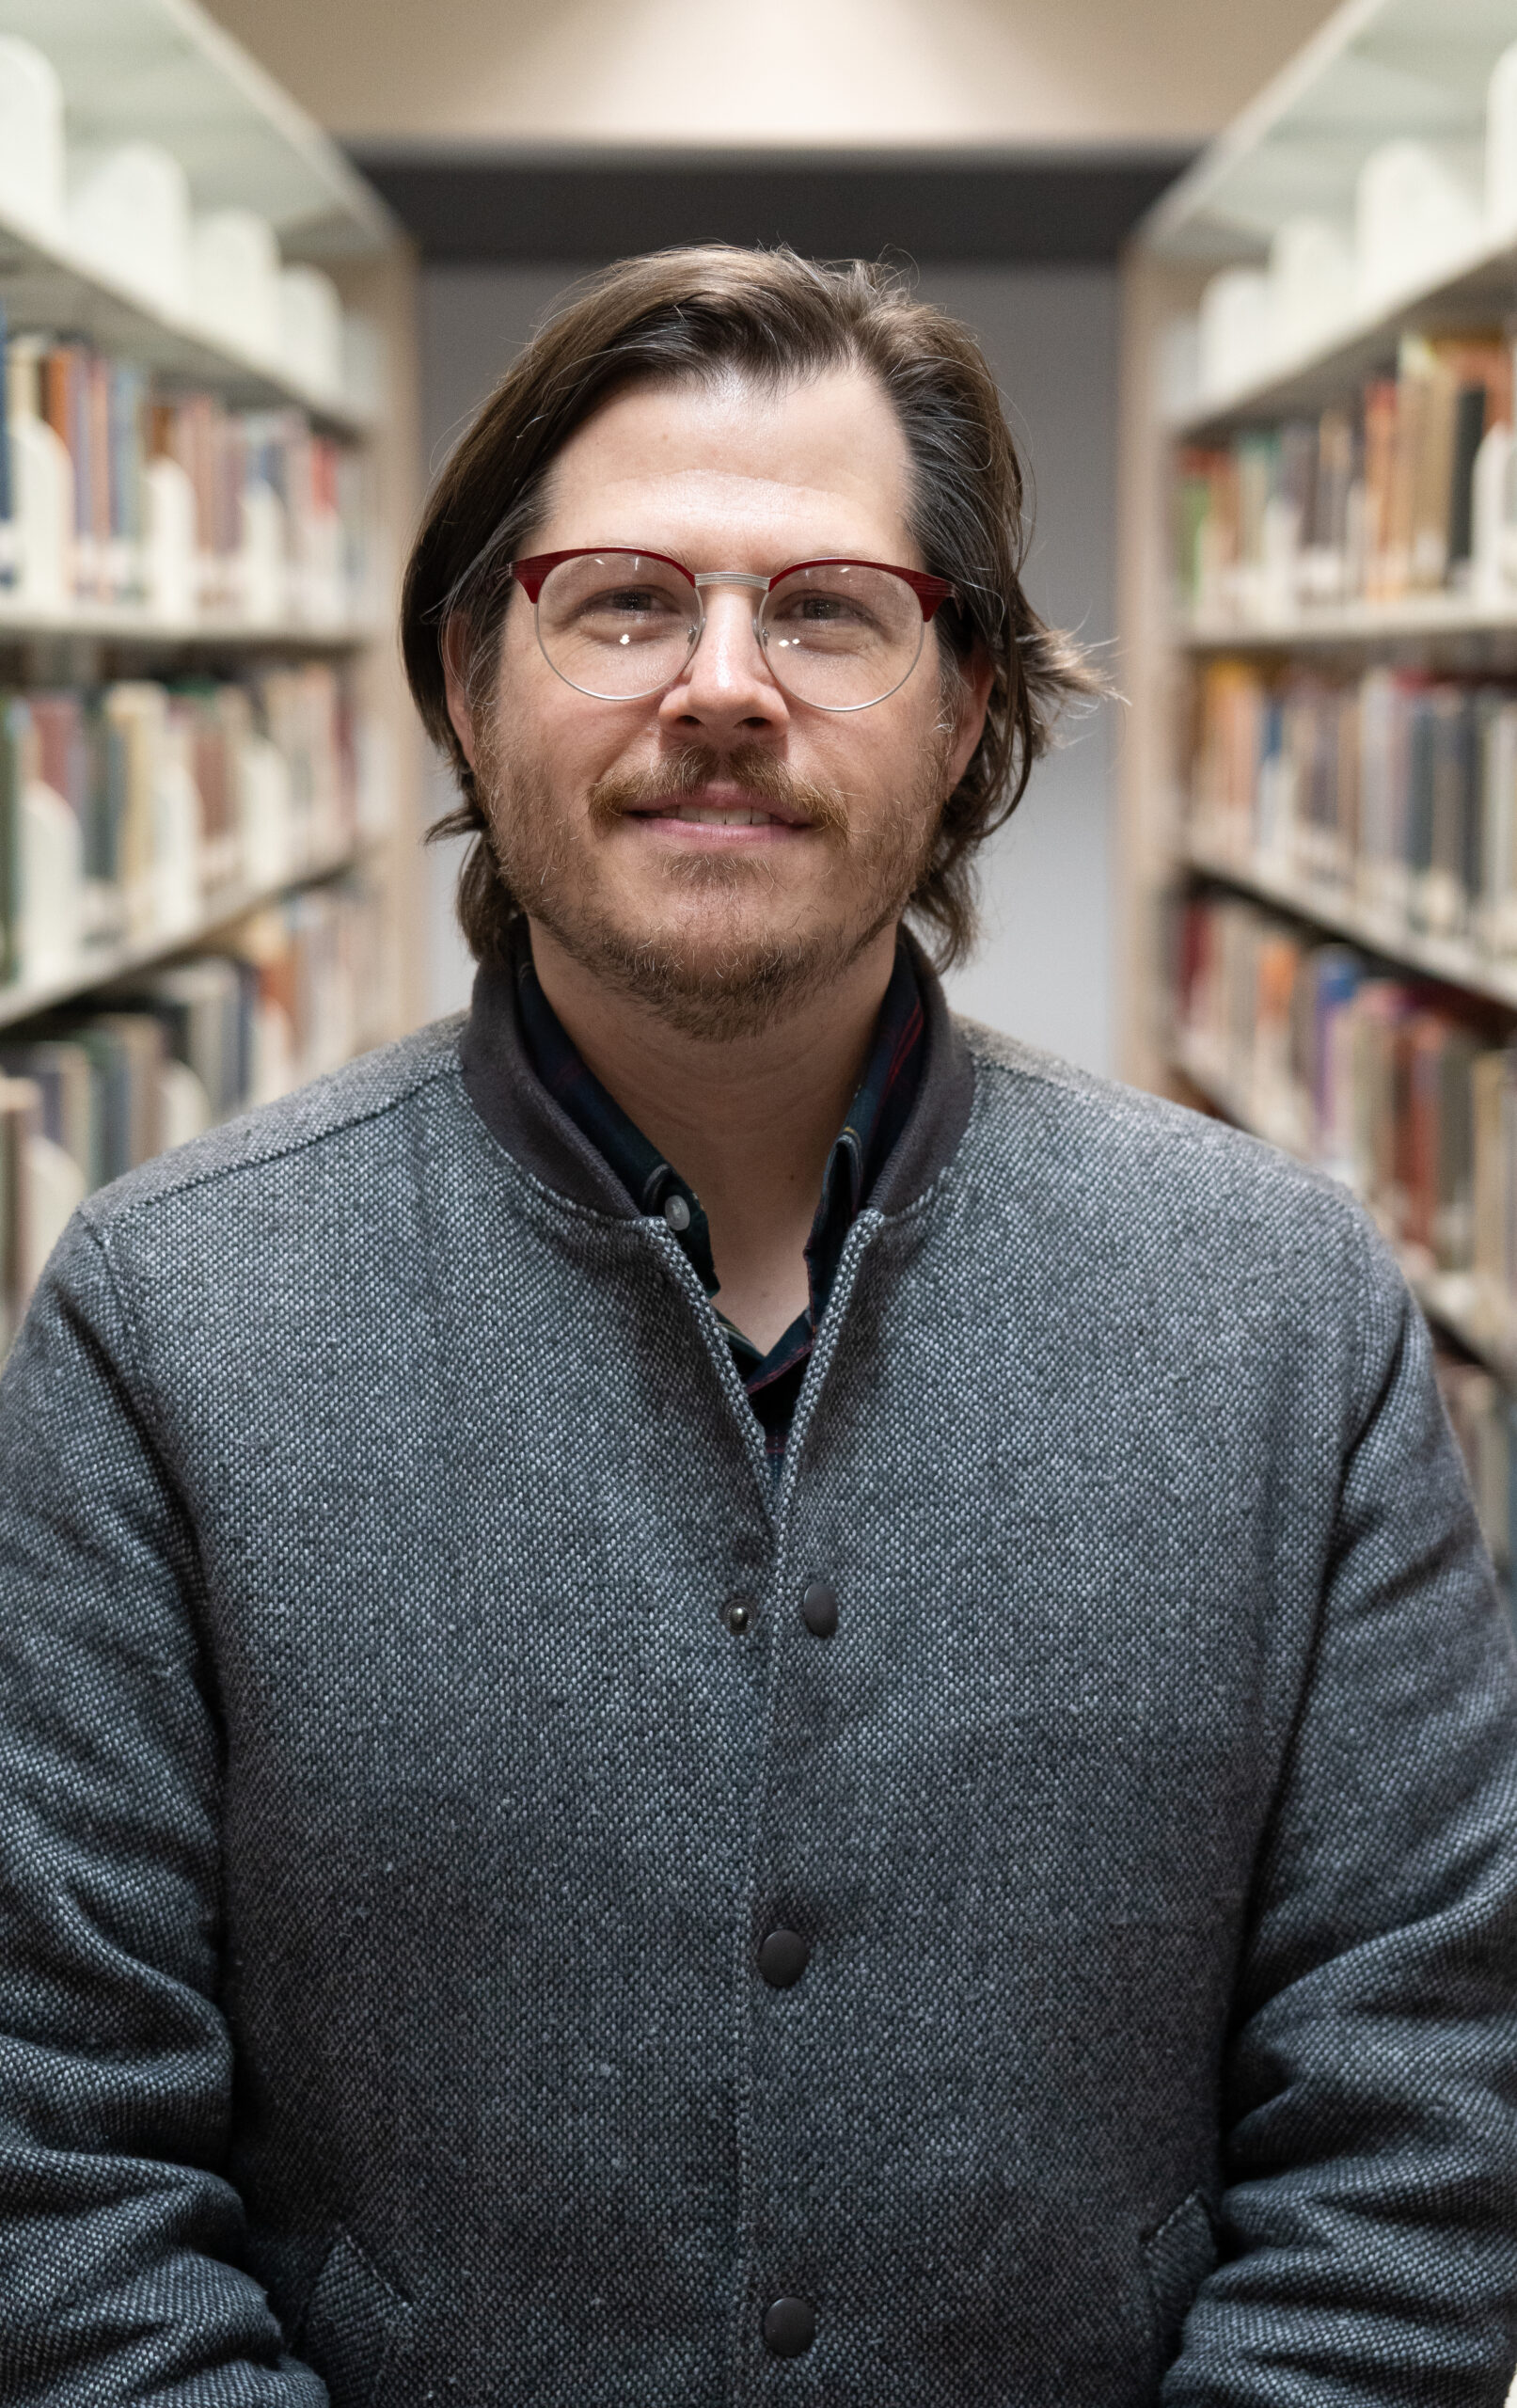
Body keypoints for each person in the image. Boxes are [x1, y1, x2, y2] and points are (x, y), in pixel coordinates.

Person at [1, 245, 1515, 2408]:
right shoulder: (168, 1323)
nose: (724, 683)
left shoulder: (1286, 1310)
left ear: (967, 701)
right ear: (469, 679)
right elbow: (59, 2181)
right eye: (622, 600)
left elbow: (1417, 2138)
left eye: (829, 610)